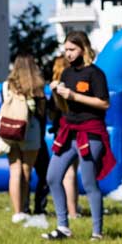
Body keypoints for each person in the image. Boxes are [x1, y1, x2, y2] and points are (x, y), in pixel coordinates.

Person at [42, 31, 115, 241]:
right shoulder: (66, 74)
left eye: (72, 49)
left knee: (90, 182)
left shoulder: (95, 74)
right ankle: (63, 226)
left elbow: (104, 103)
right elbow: (65, 105)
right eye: (65, 50)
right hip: (68, 131)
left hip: (90, 132)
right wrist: (57, 93)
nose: (68, 54)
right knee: (53, 177)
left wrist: (74, 95)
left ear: (84, 49)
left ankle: (97, 232)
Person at [3, 54, 47, 224]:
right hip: (31, 131)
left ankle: (17, 211)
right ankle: (25, 207)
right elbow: (42, 113)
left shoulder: (7, 85)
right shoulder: (37, 86)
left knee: (14, 170)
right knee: (26, 171)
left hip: (11, 129)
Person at [44, 56, 78, 220]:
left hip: (64, 133)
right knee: (73, 172)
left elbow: (51, 112)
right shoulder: (75, 85)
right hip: (79, 131)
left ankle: (71, 212)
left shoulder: (57, 88)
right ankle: (74, 208)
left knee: (67, 174)